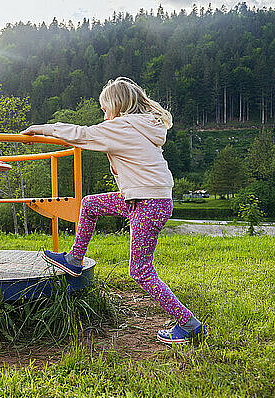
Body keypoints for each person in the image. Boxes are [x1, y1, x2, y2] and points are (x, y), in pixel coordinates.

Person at [21, 77, 206, 345]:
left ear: (117, 107)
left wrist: (41, 130)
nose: (103, 113)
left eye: (105, 107)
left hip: (147, 204)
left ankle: (188, 323)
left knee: (141, 270)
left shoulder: (122, 127)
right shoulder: (142, 126)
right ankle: (74, 259)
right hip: (142, 199)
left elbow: (81, 134)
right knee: (90, 204)